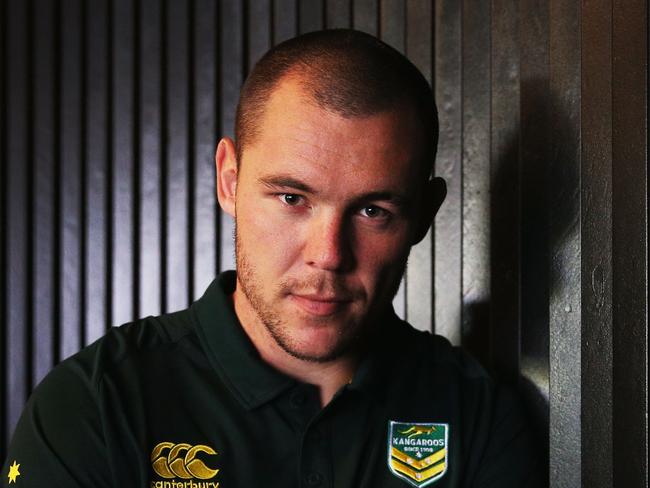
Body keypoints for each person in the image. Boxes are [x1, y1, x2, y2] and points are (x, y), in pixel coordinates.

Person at [3, 29, 541, 487]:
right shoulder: (97, 406)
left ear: (423, 215)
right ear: (229, 181)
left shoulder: (475, 414)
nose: (328, 255)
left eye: (373, 211)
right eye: (292, 198)